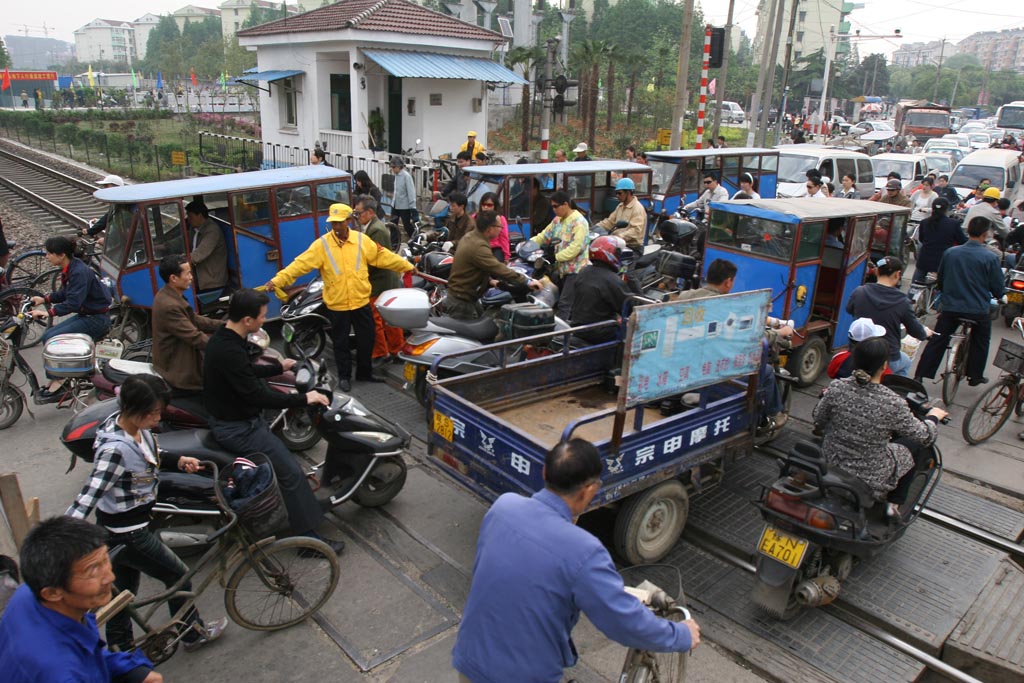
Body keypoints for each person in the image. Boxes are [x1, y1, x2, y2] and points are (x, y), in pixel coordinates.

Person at [452, 439, 700, 683]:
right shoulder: (585, 551)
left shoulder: (504, 506)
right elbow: (624, 623)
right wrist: (681, 635)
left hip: (470, 659)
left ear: (544, 471)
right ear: (589, 490)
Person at [66, 374, 228, 653]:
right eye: (153, 413)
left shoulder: (131, 429)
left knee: (122, 598)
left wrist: (178, 460)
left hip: (120, 530)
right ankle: (191, 633)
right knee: (178, 576)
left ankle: (123, 651)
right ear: (134, 410)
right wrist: (60, 540)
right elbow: (87, 498)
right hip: (128, 533)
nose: (157, 419)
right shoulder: (114, 450)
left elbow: (148, 452)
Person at [202, 289, 342, 552]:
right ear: (247, 320)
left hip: (238, 421)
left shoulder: (225, 340)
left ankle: (303, 515)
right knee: (291, 474)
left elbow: (246, 371)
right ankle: (308, 542)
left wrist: (280, 367)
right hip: (240, 429)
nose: (264, 321)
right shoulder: (229, 349)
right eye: (263, 317)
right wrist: (305, 398)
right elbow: (258, 395)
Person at [266, 203, 413, 392]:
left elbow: (383, 256)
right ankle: (344, 376)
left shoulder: (361, 241)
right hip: (338, 305)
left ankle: (364, 372)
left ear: (349, 221)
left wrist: (407, 266)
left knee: (367, 339)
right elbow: (300, 264)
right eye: (333, 223)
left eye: (340, 223)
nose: (336, 227)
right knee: (340, 343)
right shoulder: (322, 245)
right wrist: (277, 280)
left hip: (360, 302)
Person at [0, 516, 161, 683]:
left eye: (105, 560)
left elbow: (89, 655)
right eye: (92, 571)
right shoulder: (60, 672)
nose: (110, 577)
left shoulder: (29, 593)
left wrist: (132, 671)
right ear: (53, 593)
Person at [814, 337, 947, 518]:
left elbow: (819, 418)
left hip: (829, 461)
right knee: (913, 445)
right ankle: (894, 504)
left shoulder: (837, 387)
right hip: (869, 476)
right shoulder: (893, 402)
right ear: (884, 365)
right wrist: (933, 417)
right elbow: (925, 436)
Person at [674, 259, 790, 428]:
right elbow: (750, 335)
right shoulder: (726, 307)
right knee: (766, 371)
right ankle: (775, 414)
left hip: (684, 365)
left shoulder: (685, 296)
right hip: (712, 368)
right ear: (728, 282)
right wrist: (779, 333)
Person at [914, 217, 1005, 386]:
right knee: (981, 340)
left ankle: (920, 374)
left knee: (938, 339)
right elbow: (997, 286)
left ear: (968, 231)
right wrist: (1001, 295)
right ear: (985, 234)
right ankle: (975, 375)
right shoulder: (990, 257)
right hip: (977, 310)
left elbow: (941, 279)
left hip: (951, 307)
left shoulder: (951, 252)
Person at [29, 236, 112, 400]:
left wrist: (48, 313)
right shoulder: (70, 268)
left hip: (95, 319)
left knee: (51, 337)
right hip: (88, 314)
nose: (46, 257)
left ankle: (60, 381)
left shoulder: (78, 272)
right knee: (49, 336)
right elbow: (65, 294)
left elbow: (73, 303)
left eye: (49, 253)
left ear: (61, 255)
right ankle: (61, 377)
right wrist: (45, 299)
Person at [446, 210, 541, 320]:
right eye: (499, 226)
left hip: (466, 297)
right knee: (479, 334)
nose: (501, 229)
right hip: (462, 302)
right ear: (490, 228)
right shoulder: (479, 246)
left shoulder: (471, 237)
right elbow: (498, 268)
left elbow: (477, 267)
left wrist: (490, 281)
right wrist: (527, 281)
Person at [846, 257, 930, 376]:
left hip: (857, 353)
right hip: (887, 357)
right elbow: (917, 332)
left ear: (877, 271)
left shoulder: (860, 291)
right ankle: (894, 392)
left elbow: (849, 309)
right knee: (905, 362)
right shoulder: (903, 302)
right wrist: (926, 332)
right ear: (898, 274)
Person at [151, 254, 223, 394]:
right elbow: (194, 337)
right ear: (173, 278)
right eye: (188, 273)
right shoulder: (169, 305)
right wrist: (223, 347)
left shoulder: (170, 295)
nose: (191, 277)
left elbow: (195, 320)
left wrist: (226, 325)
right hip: (179, 372)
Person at [354, 196, 405, 364]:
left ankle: (382, 352)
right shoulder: (371, 228)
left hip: (380, 281)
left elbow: (377, 259)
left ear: (370, 212)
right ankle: (396, 350)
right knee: (388, 318)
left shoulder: (377, 230)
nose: (357, 216)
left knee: (376, 318)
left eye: (359, 213)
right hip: (382, 280)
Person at [532, 191, 591, 320]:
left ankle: (560, 337)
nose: (553, 210)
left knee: (564, 304)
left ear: (565, 204)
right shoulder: (557, 220)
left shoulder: (579, 222)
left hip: (575, 270)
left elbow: (576, 248)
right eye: (552, 206)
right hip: (560, 270)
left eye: (555, 206)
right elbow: (544, 236)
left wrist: (556, 257)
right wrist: (528, 245)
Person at [570, 236, 639, 344]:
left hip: (578, 327)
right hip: (600, 332)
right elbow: (628, 306)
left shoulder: (584, 272)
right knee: (633, 336)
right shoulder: (612, 280)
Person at [913, 197, 966, 284]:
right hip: (943, 261)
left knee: (916, 284)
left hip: (924, 259)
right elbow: (962, 241)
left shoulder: (924, 222)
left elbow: (921, 239)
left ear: (932, 208)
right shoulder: (953, 224)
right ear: (946, 209)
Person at [185, 199, 229, 297]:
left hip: (210, 279)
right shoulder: (195, 228)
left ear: (199, 215)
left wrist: (178, 261)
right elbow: (183, 239)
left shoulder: (212, 231)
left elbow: (197, 256)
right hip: (199, 273)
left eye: (190, 216)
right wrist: (165, 246)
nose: (188, 219)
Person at [594, 178, 647, 251]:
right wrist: (595, 228)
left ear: (628, 193)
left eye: (619, 193)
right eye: (616, 193)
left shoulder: (637, 208)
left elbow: (635, 230)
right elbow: (610, 222)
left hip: (632, 248)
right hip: (618, 244)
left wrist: (619, 236)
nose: (617, 196)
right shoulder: (620, 206)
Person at [475, 192, 510, 262]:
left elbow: (504, 238)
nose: (485, 207)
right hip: (478, 247)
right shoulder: (475, 217)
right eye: (483, 204)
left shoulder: (501, 219)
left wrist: (506, 256)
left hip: (495, 248)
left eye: (489, 205)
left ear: (495, 206)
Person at [389, 157, 418, 241]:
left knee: (407, 225)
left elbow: (411, 192)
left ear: (399, 166)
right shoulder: (396, 176)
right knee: (392, 224)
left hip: (404, 206)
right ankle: (394, 243)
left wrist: (412, 207)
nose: (393, 169)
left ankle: (415, 239)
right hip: (395, 204)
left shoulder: (406, 176)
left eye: (394, 167)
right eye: (392, 167)